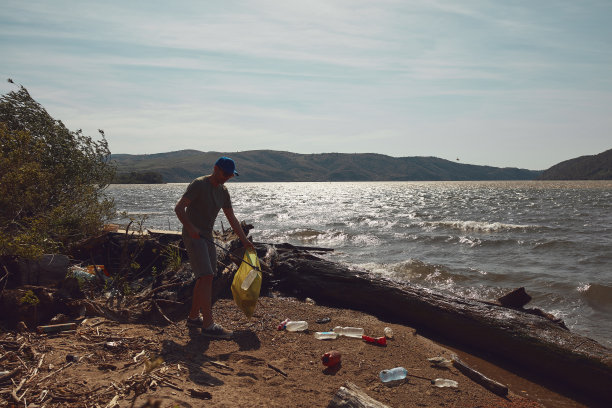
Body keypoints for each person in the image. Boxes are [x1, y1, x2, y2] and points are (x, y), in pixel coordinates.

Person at [174, 156, 254, 338]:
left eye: (230, 175)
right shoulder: (199, 184)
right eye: (225, 173)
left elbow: (232, 218)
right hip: (193, 236)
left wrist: (244, 240)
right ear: (216, 169)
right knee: (207, 276)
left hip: (207, 236)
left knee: (206, 277)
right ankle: (208, 325)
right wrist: (191, 228)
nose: (227, 177)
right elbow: (179, 208)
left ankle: (194, 317)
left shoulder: (223, 192)